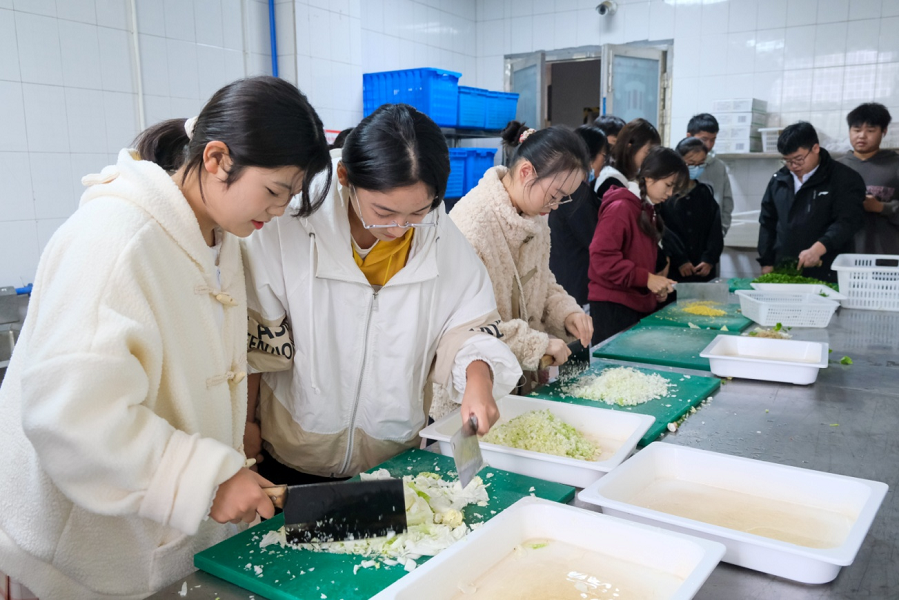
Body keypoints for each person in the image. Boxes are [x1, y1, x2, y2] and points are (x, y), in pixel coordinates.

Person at [0, 76, 333, 599]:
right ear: (217, 159)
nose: (276, 212)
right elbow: (69, 416)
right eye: (273, 192)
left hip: (154, 542)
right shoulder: (115, 239)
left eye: (287, 199)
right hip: (73, 559)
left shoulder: (219, 238)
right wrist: (207, 479)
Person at [242, 103, 521, 484]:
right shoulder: (290, 224)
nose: (399, 228)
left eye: (418, 212)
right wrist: (245, 423)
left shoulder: (442, 240)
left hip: (392, 457)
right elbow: (257, 337)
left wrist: (478, 380)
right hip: (293, 453)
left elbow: (468, 325)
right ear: (345, 177)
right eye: (383, 212)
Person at [450, 122, 593, 384]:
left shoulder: (533, 218)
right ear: (526, 172)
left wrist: (567, 314)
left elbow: (541, 283)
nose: (556, 206)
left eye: (563, 199)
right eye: (555, 195)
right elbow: (466, 326)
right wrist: (534, 344)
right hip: (474, 387)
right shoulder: (472, 223)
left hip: (519, 382)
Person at [588, 147, 688, 344]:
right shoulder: (621, 207)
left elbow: (639, 259)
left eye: (673, 189)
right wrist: (647, 279)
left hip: (634, 304)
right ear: (649, 176)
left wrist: (652, 287)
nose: (669, 194)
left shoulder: (647, 209)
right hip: (613, 307)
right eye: (668, 185)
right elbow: (601, 258)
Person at [758, 122, 865, 283]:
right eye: (787, 160)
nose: (793, 166)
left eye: (798, 159)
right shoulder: (779, 180)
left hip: (827, 270)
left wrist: (819, 248)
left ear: (815, 148)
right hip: (785, 269)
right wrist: (766, 261)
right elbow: (768, 222)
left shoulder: (843, 178)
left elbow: (848, 221)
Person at [549, 125, 609, 305]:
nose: (604, 161)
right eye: (604, 155)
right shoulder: (575, 192)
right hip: (574, 287)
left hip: (569, 283)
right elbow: (594, 240)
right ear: (590, 156)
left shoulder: (572, 188)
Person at [837, 103, 899, 254]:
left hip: (886, 253)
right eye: (856, 130)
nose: (862, 136)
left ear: (884, 131)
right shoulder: (835, 168)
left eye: (870, 131)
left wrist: (881, 207)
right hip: (842, 254)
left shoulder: (895, 164)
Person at [660, 138, 724, 283]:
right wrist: (680, 259)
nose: (696, 168)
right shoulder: (666, 195)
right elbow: (663, 231)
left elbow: (715, 231)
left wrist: (709, 259)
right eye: (691, 163)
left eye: (700, 164)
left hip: (703, 269)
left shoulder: (704, 193)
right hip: (674, 269)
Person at [686, 113, 735, 235]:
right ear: (689, 137)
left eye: (713, 140)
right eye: (704, 139)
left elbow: (727, 202)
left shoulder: (719, 166)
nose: (708, 145)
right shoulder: (676, 165)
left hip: (712, 235)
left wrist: (721, 231)